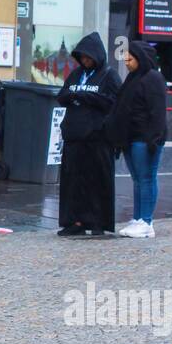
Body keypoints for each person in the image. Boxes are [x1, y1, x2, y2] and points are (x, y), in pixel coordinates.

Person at [55, 32, 120, 237]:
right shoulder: (75, 75)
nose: (85, 61)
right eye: (82, 57)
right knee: (73, 182)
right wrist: (76, 95)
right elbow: (63, 95)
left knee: (97, 181)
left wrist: (86, 97)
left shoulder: (109, 76)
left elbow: (114, 102)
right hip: (74, 137)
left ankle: (98, 222)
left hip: (97, 139)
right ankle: (75, 221)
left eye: (88, 57)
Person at [107, 41, 168, 239]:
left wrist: (155, 139)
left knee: (146, 178)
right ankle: (138, 218)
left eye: (130, 57)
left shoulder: (153, 78)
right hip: (131, 137)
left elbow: (157, 112)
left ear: (140, 58)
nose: (126, 60)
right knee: (138, 180)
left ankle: (146, 221)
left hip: (145, 138)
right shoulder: (133, 78)